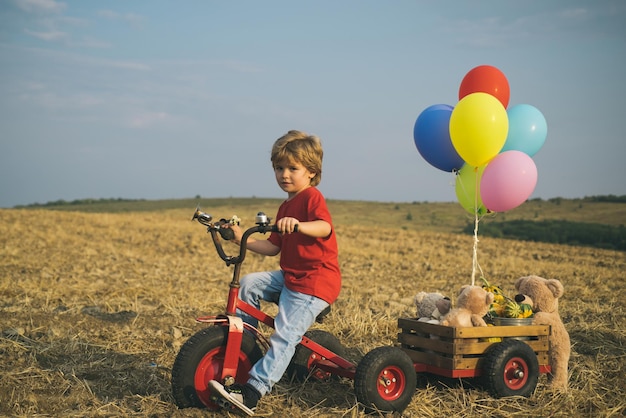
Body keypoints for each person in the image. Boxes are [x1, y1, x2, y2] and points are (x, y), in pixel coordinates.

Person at [209, 130, 341, 416]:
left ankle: (253, 391)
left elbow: (325, 227)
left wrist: (299, 225)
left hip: (314, 283)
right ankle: (245, 349)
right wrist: (238, 237)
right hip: (291, 277)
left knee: (284, 336)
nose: (284, 174)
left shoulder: (311, 197)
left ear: (311, 172)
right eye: (279, 168)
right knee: (249, 284)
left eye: (293, 168)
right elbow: (272, 247)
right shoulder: (285, 206)